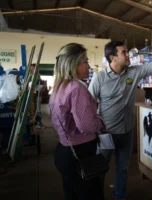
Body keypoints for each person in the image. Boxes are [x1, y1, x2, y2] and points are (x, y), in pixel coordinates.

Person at [88, 40, 152, 200]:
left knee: (123, 168)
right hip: (106, 133)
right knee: (100, 168)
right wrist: (95, 129)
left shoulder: (133, 72)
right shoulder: (99, 78)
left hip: (127, 131)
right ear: (113, 57)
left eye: (127, 52)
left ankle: (119, 195)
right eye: (124, 52)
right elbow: (89, 104)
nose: (128, 55)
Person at [49, 43, 106, 200]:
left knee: (72, 193)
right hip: (81, 153)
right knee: (90, 194)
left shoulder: (59, 86)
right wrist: (100, 120)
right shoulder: (76, 88)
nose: (88, 66)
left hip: (65, 149)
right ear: (74, 64)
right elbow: (87, 126)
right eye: (85, 62)